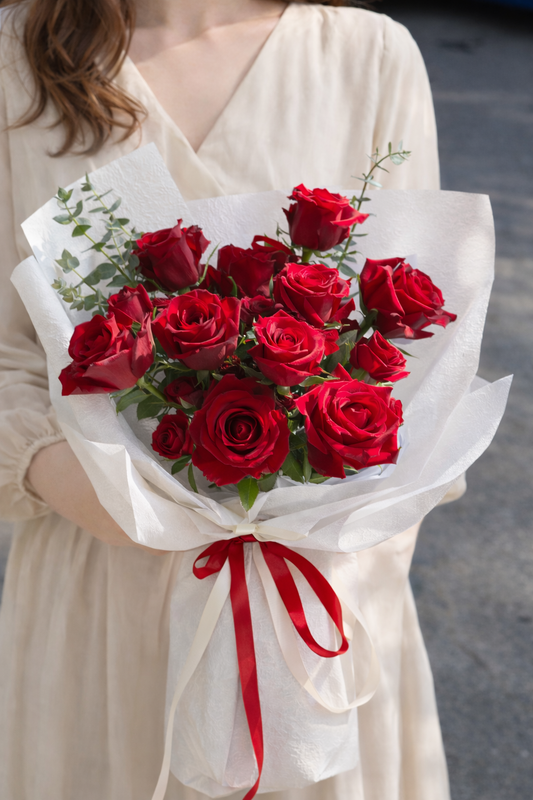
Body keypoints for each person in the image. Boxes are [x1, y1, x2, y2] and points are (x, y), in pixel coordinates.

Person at [0, 1, 465, 798]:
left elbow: (415, 350)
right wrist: (60, 476)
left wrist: (361, 549)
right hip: (101, 577)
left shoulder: (368, 52)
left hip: (313, 583)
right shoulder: (16, 54)